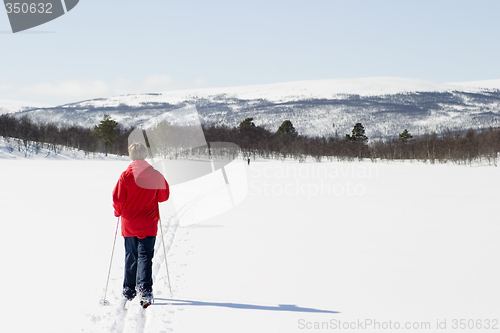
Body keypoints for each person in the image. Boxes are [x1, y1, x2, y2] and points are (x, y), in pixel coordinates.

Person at [112, 143, 169, 308]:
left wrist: (118, 212)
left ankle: (129, 290)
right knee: (145, 256)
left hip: (129, 223)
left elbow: (117, 199)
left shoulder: (125, 176)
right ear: (144, 155)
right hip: (148, 223)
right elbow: (163, 196)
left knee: (131, 255)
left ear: (131, 156)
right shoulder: (156, 175)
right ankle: (145, 290)